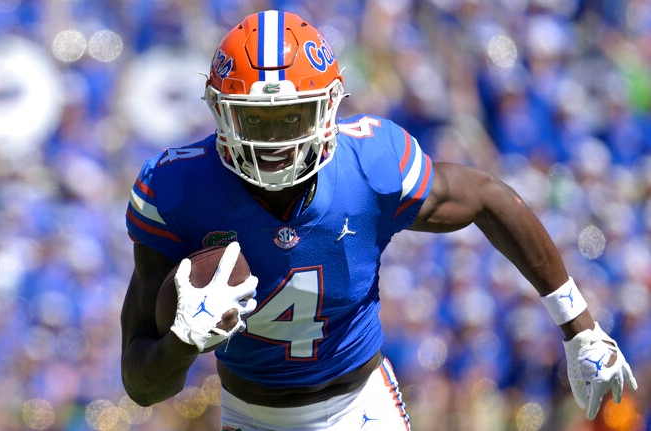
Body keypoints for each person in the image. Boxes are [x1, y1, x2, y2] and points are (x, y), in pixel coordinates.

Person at [120, 10, 637, 430]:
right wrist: (182, 342)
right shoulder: (177, 189)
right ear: (219, 110)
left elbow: (489, 198)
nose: (272, 142)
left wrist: (581, 328)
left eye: (291, 117)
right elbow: (142, 386)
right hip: (251, 416)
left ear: (329, 110)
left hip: (360, 408)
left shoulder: (369, 164)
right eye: (254, 119)